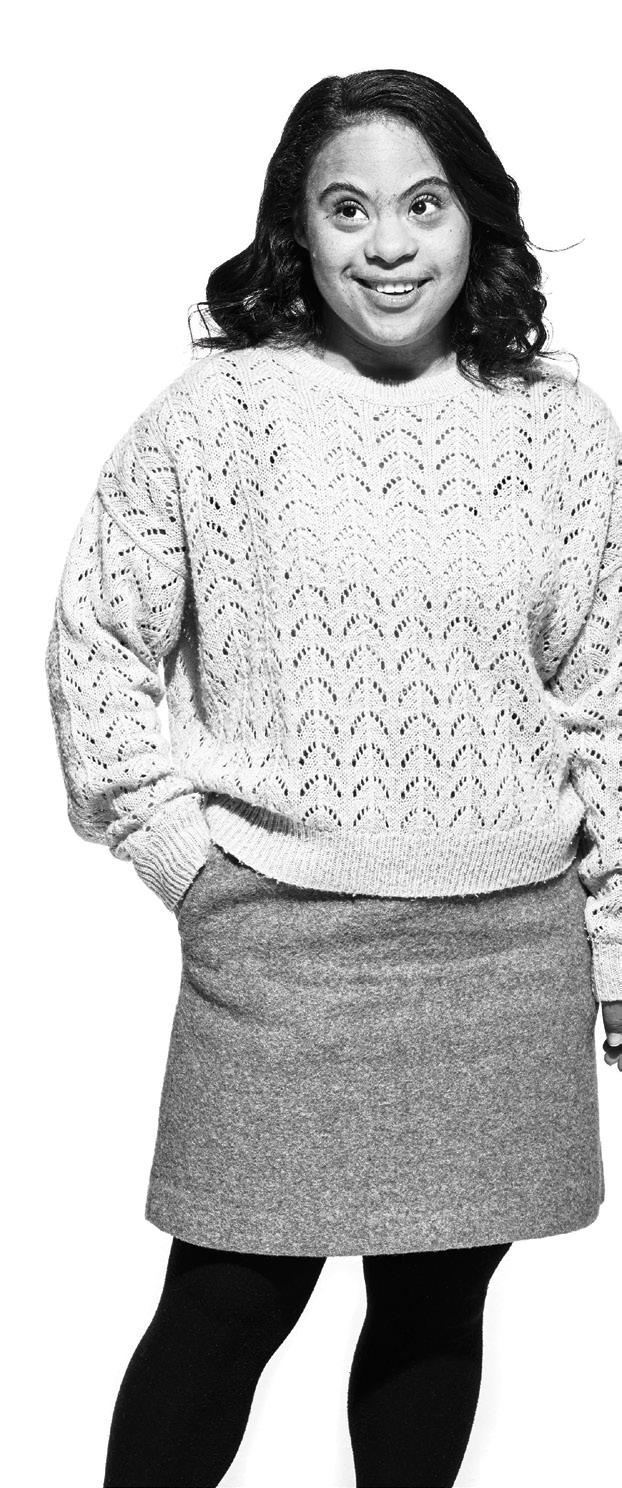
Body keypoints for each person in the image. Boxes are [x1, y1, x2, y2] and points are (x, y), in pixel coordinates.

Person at [44, 67, 621, 1488]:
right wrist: (186, 862)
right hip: (281, 945)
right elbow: (98, 637)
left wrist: (613, 933)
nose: (388, 245)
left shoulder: (562, 427)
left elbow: (604, 699)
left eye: (423, 206)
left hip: (506, 948)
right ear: (296, 230)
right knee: (224, 1308)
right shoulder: (217, 416)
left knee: (435, 1308)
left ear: (474, 220)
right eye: (347, 209)